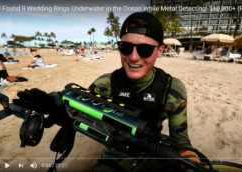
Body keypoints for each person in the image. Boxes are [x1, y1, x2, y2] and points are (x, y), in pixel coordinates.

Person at [13, 12, 200, 172]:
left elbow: (181, 143)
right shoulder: (105, 84)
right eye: (126, 47)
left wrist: (190, 158)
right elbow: (78, 115)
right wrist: (52, 104)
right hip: (114, 157)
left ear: (160, 50)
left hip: (155, 156)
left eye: (144, 49)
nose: (133, 57)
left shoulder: (173, 90)